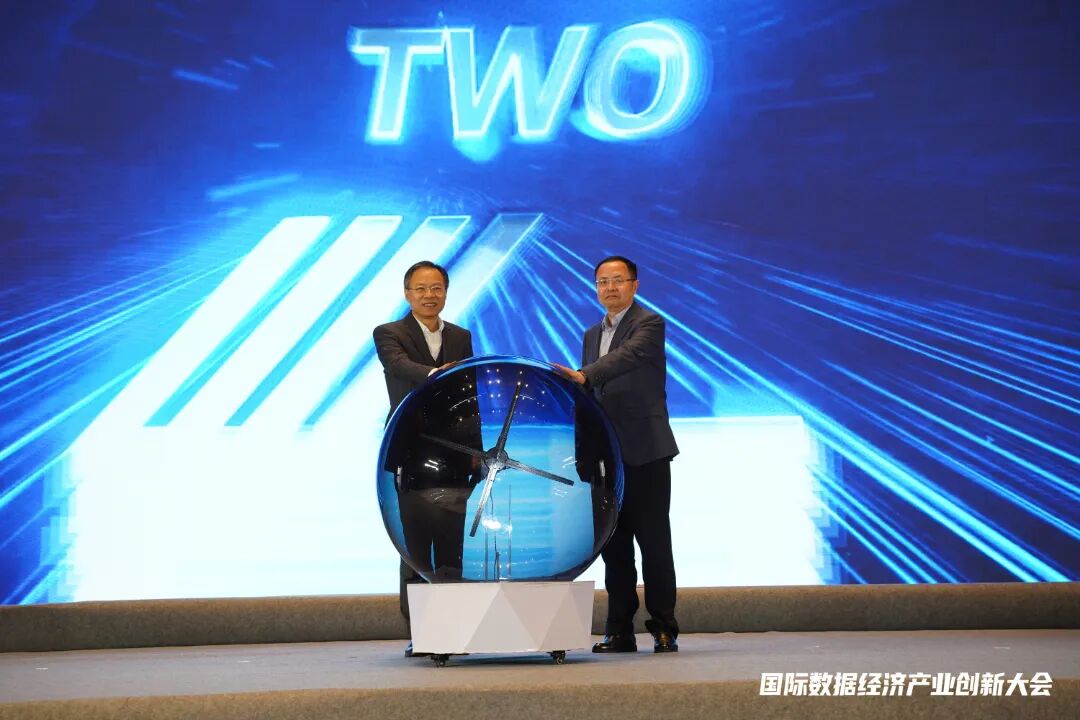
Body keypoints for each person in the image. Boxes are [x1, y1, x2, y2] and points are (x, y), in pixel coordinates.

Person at [554, 255, 680, 653]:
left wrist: (584, 375)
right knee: (614, 547)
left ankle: (663, 627)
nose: (610, 288)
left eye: (618, 280)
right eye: (603, 282)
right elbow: (591, 393)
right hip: (606, 456)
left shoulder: (649, 324)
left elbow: (624, 359)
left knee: (654, 544)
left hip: (646, 450)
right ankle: (619, 629)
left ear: (634, 285)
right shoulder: (591, 333)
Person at [373, 260, 475, 658]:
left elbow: (470, 395)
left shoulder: (461, 336)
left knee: (451, 547)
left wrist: (478, 452)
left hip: (455, 454)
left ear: (446, 292)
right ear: (407, 294)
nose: (429, 295)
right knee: (415, 546)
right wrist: (437, 374)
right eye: (421, 289)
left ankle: (453, 630)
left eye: (436, 288)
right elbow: (398, 366)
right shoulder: (389, 333)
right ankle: (422, 632)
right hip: (410, 452)